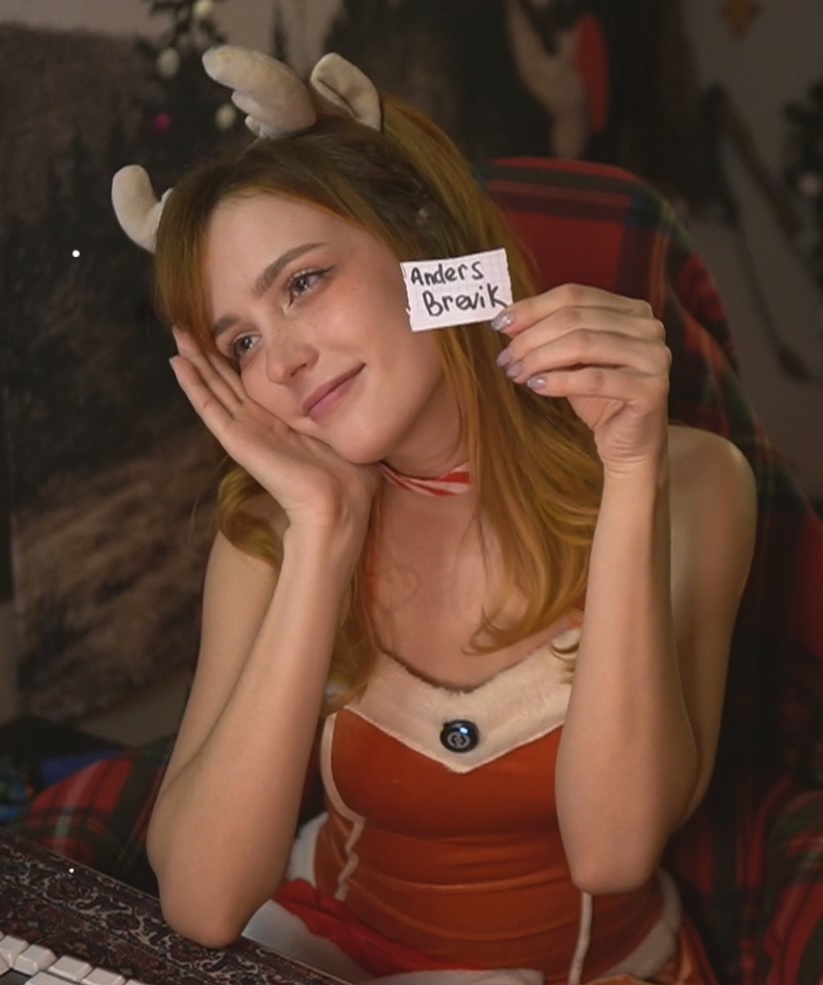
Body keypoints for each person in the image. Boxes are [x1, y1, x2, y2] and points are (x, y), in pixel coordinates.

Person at [112, 45, 757, 985]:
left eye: (302, 283)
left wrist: (629, 470)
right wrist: (323, 536)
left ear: (422, 240)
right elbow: (204, 904)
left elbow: (613, 850)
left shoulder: (694, 481)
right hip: (330, 951)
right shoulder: (270, 527)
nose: (281, 362)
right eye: (240, 341)